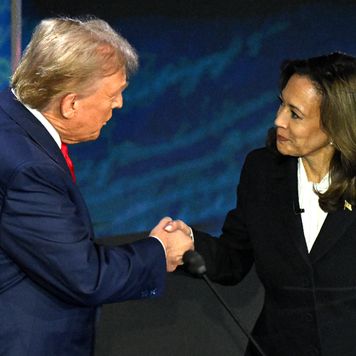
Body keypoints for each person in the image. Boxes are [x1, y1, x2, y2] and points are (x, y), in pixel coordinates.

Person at [0, 16, 193, 356]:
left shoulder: (11, 115)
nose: (118, 104)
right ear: (70, 103)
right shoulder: (28, 168)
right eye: (114, 94)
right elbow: (85, 277)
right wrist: (159, 251)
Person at [166, 51, 356, 356]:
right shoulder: (262, 170)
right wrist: (188, 244)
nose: (278, 119)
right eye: (281, 103)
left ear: (336, 124)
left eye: (295, 113)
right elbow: (233, 258)